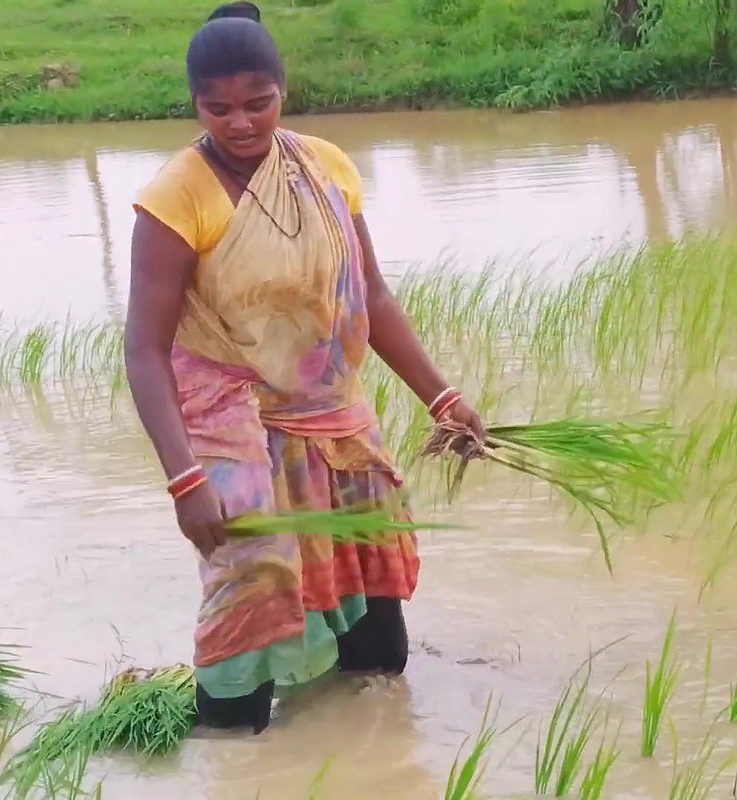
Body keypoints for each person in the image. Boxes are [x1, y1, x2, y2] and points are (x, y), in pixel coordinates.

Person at [124, 1, 483, 734]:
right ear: (194, 104)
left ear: (284, 91)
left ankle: (368, 745)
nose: (241, 122)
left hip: (335, 415)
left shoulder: (325, 166)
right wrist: (185, 477)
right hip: (232, 426)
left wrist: (441, 396)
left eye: (259, 103)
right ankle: (229, 743)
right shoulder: (174, 197)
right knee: (249, 580)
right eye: (218, 108)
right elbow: (144, 349)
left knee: (373, 615)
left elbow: (371, 295)